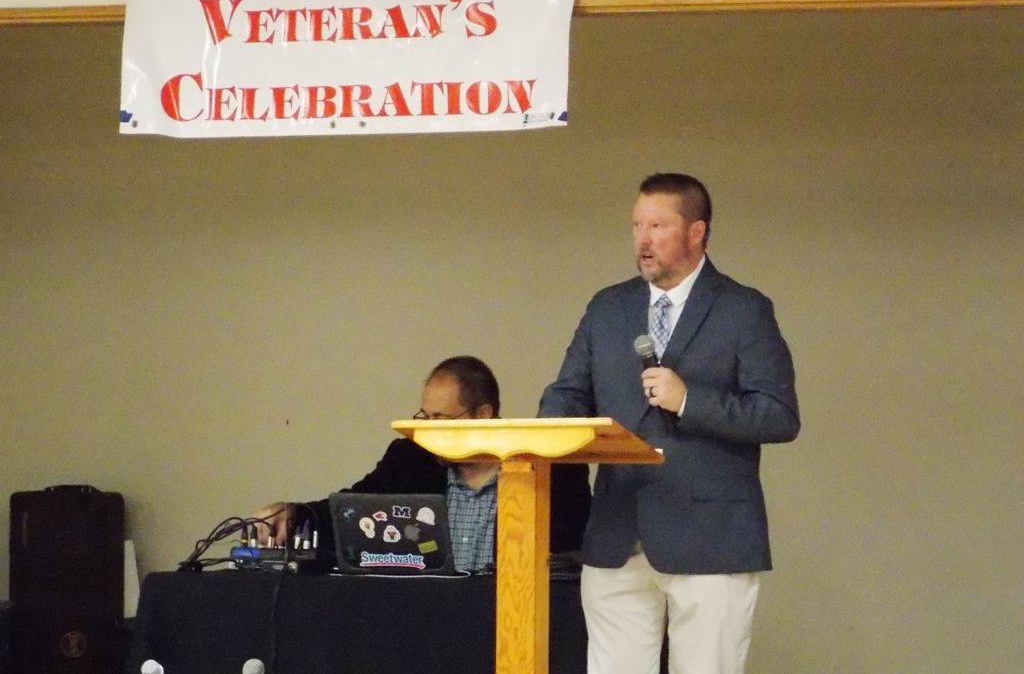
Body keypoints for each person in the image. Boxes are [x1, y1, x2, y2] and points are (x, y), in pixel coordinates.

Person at [538, 174, 799, 674]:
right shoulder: (608, 307)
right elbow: (569, 390)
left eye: (657, 226)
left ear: (696, 231)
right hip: (617, 531)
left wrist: (689, 401)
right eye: (636, 225)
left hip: (711, 538)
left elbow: (779, 415)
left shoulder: (743, 310)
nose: (643, 238)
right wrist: (548, 428)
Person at [255, 355, 592, 572]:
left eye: (440, 419)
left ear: (483, 414)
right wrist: (294, 514)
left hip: (514, 628)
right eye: (424, 417)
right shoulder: (410, 460)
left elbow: (577, 558)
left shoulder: (553, 470)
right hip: (423, 623)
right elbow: (352, 511)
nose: (429, 430)